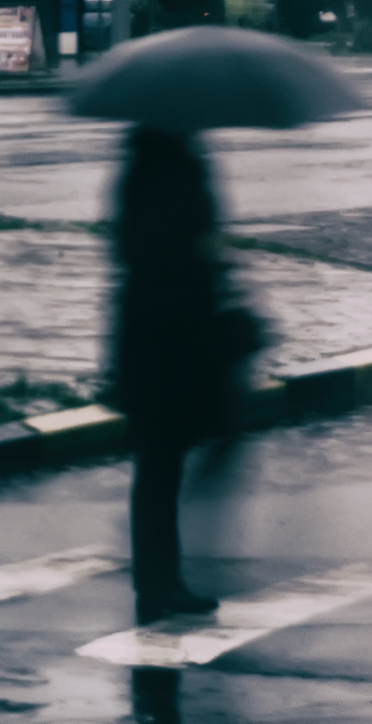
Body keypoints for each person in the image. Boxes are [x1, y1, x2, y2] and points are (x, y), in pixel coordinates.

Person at [107, 124, 261, 625]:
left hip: (164, 333)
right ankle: (159, 579)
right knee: (162, 460)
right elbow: (158, 248)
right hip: (168, 337)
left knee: (163, 460)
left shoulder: (155, 163)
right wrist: (203, 255)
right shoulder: (164, 168)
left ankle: (158, 576)